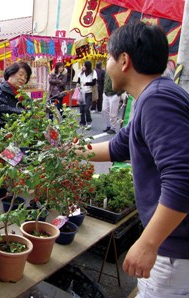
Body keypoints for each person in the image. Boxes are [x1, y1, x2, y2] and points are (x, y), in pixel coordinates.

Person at [85, 22, 189, 297]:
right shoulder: (155, 94)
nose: (106, 65)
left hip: (174, 252)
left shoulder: (157, 100)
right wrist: (65, 151)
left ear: (124, 60)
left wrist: (148, 243)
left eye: (108, 57)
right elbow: (119, 147)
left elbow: (182, 178)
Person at [0, 61, 32, 129]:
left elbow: (31, 109)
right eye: (21, 74)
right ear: (11, 73)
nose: (23, 79)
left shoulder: (23, 95)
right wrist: (26, 112)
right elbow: (2, 110)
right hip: (1, 134)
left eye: (26, 77)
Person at [77, 60, 97, 130]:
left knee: (86, 108)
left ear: (87, 66)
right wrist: (78, 85)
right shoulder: (81, 73)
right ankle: (82, 122)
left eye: (84, 65)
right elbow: (78, 82)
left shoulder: (93, 73)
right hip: (81, 92)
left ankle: (89, 122)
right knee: (81, 109)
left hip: (89, 93)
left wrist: (87, 83)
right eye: (82, 65)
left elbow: (94, 83)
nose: (83, 67)